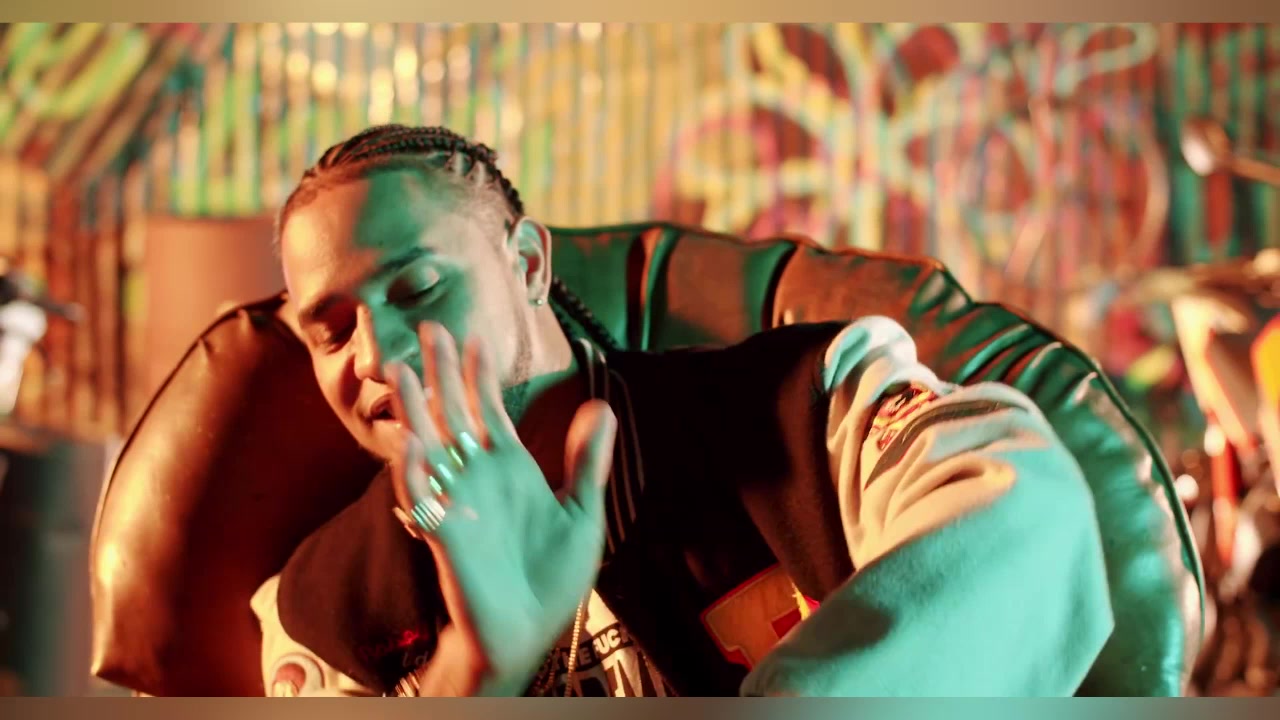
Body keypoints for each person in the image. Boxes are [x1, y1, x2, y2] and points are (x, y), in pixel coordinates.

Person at [253, 124, 1114, 697]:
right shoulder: (320, 617)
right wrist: (476, 672)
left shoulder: (811, 410)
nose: (374, 355)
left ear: (528, 266)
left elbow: (1027, 515)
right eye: (330, 332)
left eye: (416, 289)